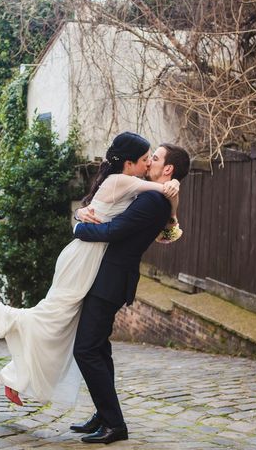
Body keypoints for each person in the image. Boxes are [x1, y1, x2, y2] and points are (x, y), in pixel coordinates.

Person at [0, 132, 182, 407]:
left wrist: (81, 217)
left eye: (152, 158)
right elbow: (157, 198)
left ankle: (16, 377)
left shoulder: (129, 185)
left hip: (88, 258)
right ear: (128, 163)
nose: (147, 163)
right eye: (144, 159)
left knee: (61, 322)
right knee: (53, 316)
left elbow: (165, 235)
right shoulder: (126, 182)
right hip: (84, 257)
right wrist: (173, 192)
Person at [71, 142, 190, 444]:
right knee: (98, 348)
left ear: (168, 168)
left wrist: (79, 229)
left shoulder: (154, 202)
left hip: (110, 280)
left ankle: (114, 424)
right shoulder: (153, 195)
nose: (149, 160)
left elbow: (114, 231)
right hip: (109, 277)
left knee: (85, 349)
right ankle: (104, 413)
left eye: (156, 158)